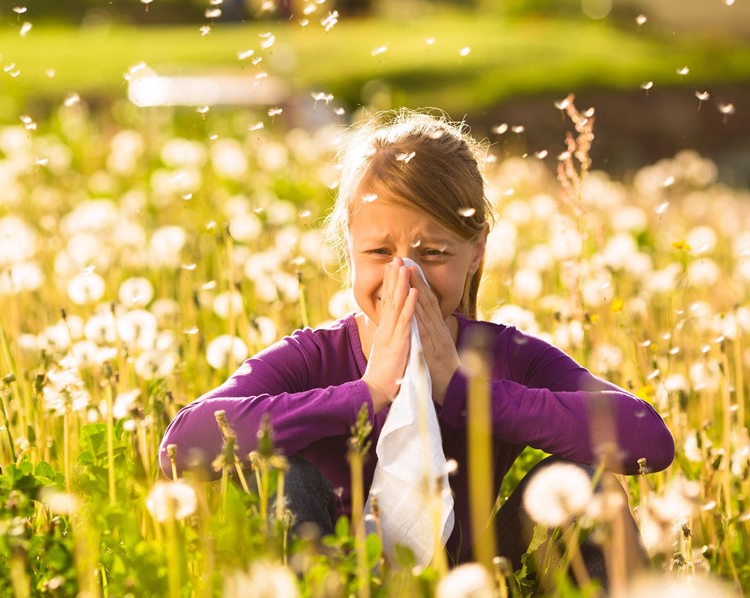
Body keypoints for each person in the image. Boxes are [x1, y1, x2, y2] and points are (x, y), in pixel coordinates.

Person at [159, 110, 674, 574]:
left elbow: (649, 439)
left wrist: (469, 392)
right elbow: (181, 446)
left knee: (588, 482)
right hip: (331, 583)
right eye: (380, 251)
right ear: (350, 250)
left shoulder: (503, 356)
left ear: (476, 252)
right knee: (283, 477)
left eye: (432, 253)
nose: (405, 277)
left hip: (476, 583)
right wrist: (367, 393)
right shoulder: (315, 356)